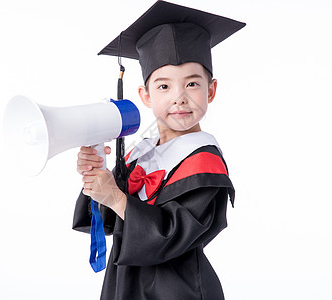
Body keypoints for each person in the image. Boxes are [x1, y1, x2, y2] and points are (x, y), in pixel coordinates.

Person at [73, 1, 245, 299]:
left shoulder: (204, 162)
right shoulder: (141, 152)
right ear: (145, 95)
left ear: (211, 90)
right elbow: (111, 220)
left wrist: (115, 195)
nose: (179, 98)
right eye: (164, 87)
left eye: (192, 83)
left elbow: (173, 235)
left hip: (176, 287)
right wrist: (96, 178)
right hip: (124, 282)